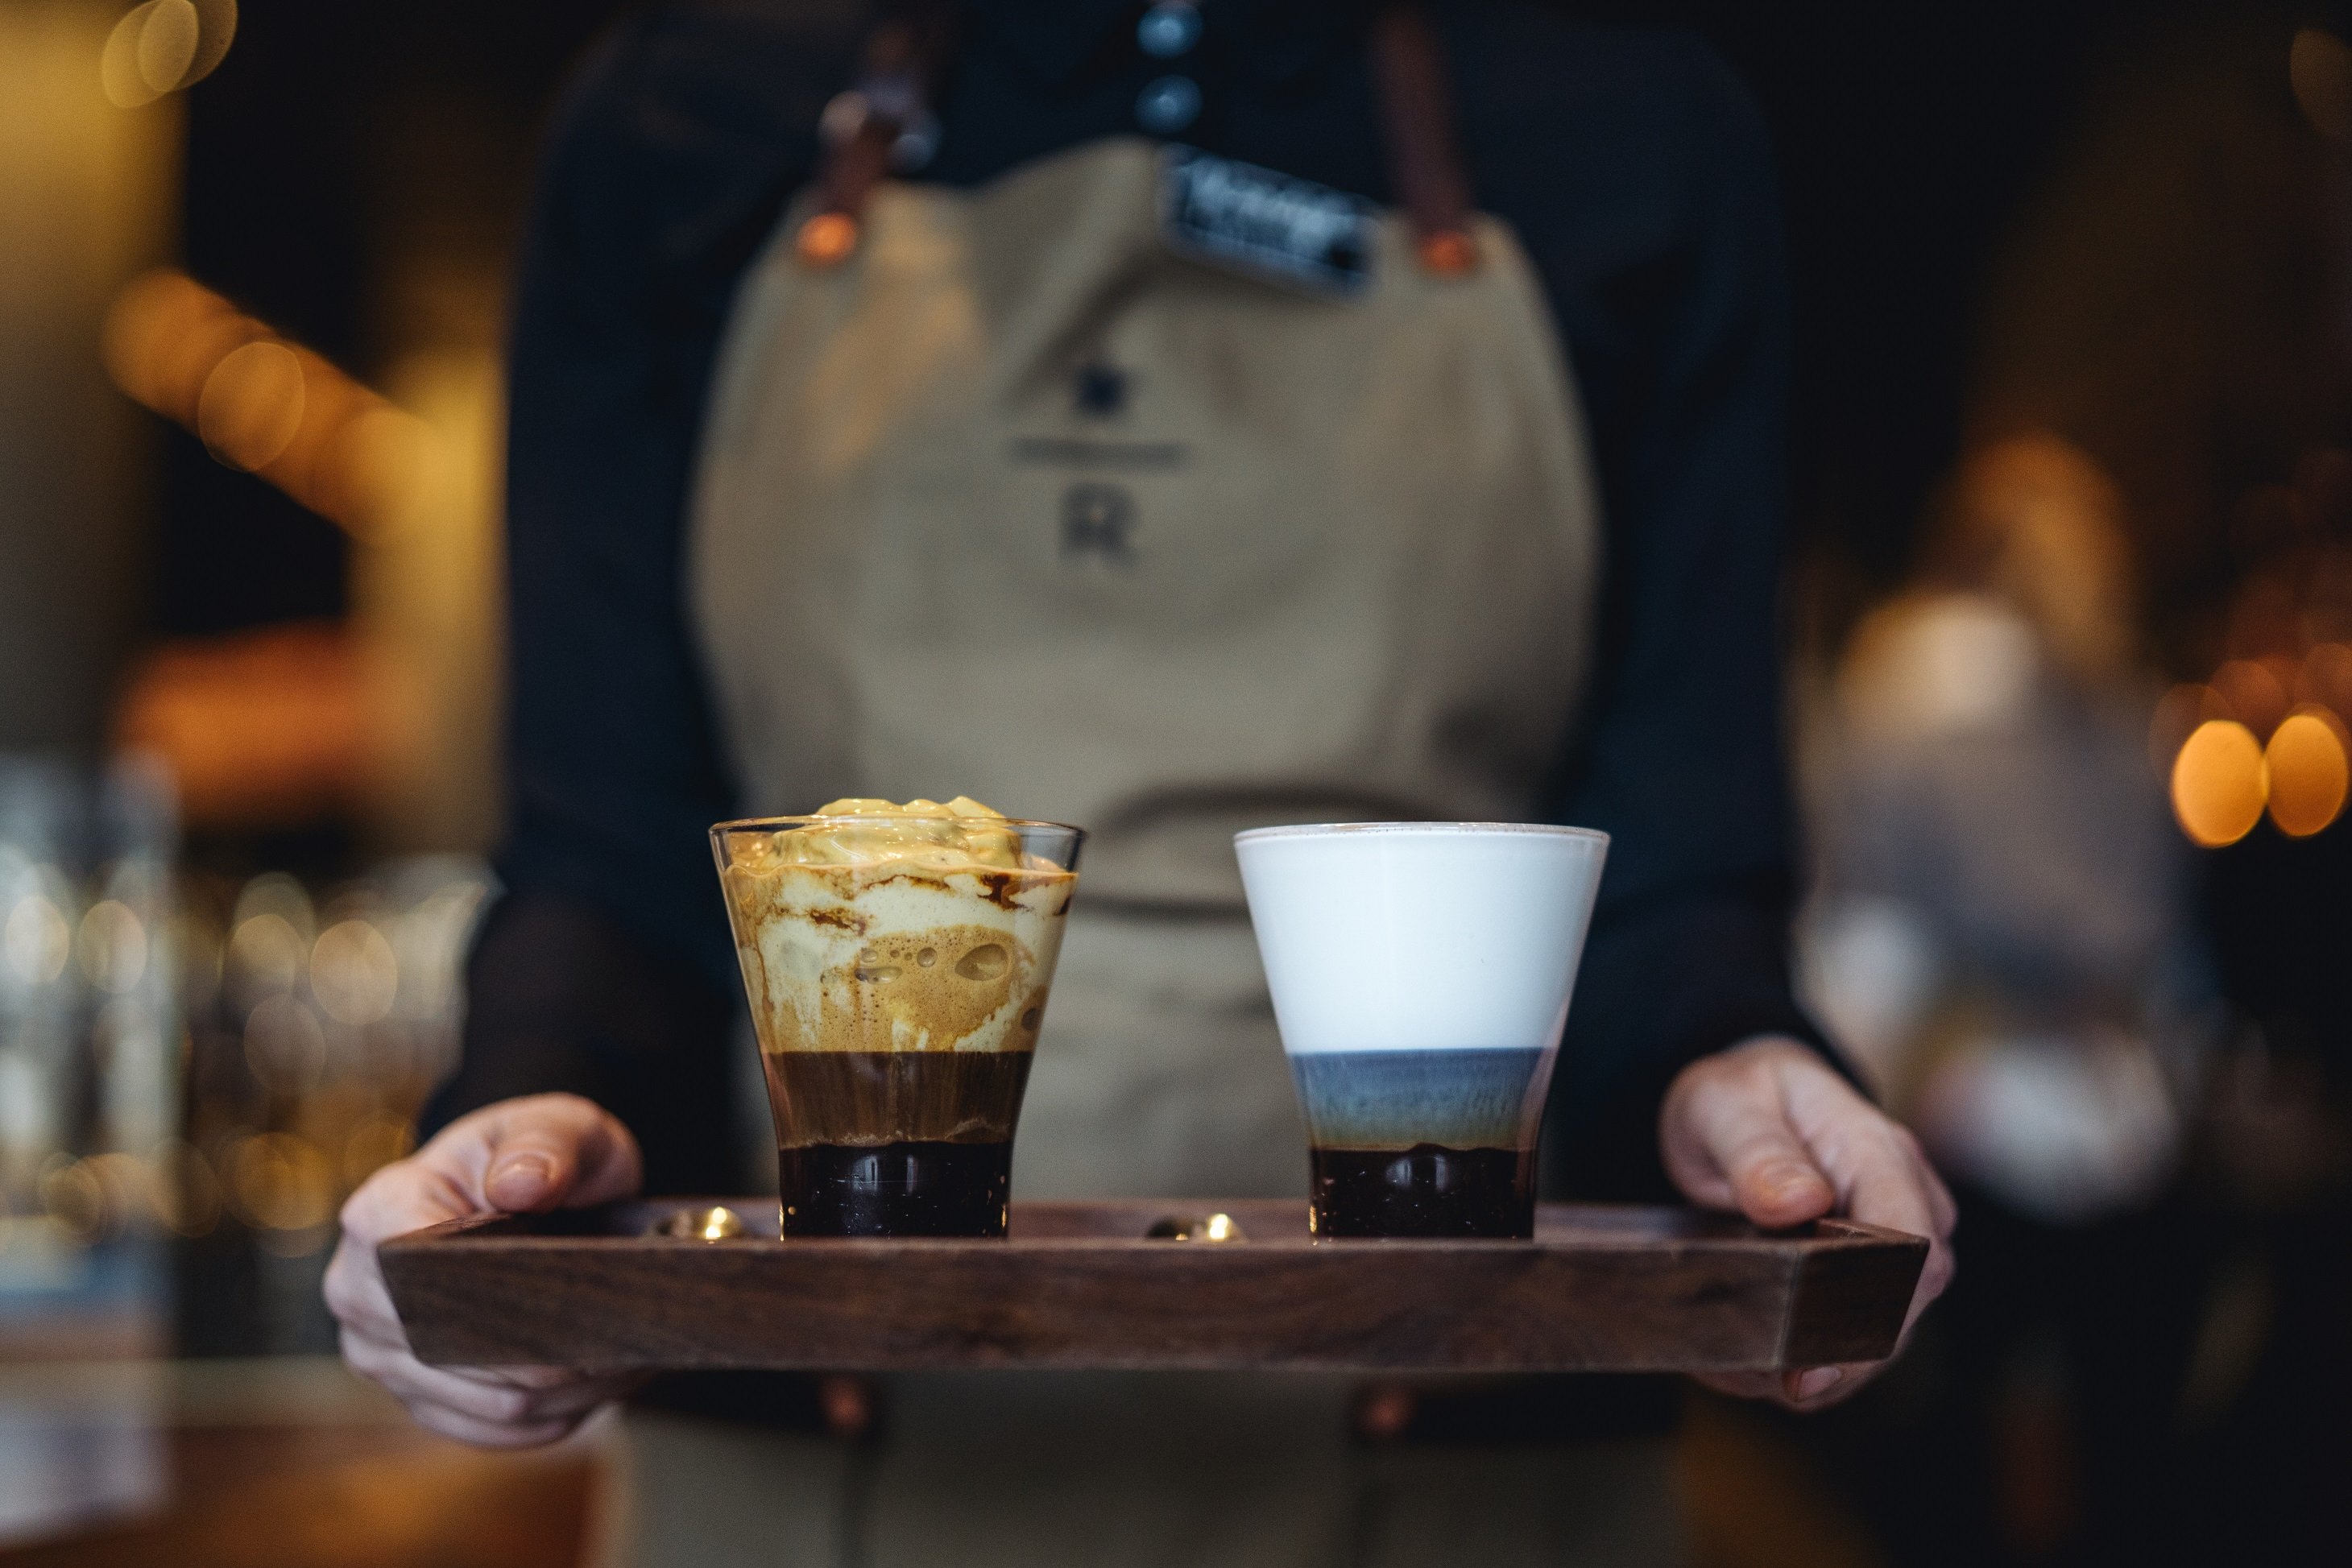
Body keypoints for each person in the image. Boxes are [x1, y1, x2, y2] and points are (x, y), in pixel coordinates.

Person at [325, 3, 1954, 1562]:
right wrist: (517, 1126)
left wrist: (1740, 1079)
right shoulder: (678, 123)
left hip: (1460, 1472)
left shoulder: (1633, 143)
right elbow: (608, 868)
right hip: (816, 1467)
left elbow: (1673, 884)